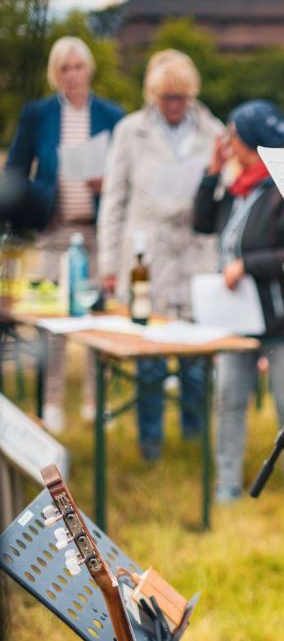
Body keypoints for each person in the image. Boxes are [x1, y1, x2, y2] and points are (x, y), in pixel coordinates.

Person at [97, 49, 223, 459]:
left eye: (181, 98)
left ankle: (195, 440)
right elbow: (114, 199)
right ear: (153, 95)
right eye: (166, 98)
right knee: (148, 351)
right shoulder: (130, 130)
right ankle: (149, 443)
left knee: (196, 353)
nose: (174, 106)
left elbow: (222, 197)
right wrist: (108, 263)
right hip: (146, 253)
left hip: (194, 250)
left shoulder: (213, 130)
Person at [5, 36, 124, 430]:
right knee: (54, 319)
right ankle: (51, 400)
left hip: (97, 231)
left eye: (77, 67)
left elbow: (125, 172)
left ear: (88, 69)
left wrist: (106, 183)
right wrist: (38, 194)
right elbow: (17, 171)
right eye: (63, 69)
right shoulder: (38, 114)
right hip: (54, 230)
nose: (71, 76)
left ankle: (96, 400)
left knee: (95, 317)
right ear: (55, 74)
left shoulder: (111, 114)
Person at [193, 100, 284, 502]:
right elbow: (202, 222)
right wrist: (212, 172)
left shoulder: (283, 190)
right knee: (229, 400)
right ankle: (227, 484)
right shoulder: (238, 188)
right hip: (234, 317)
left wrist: (246, 265)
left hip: (277, 319)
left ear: (252, 141)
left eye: (233, 135)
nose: (227, 142)